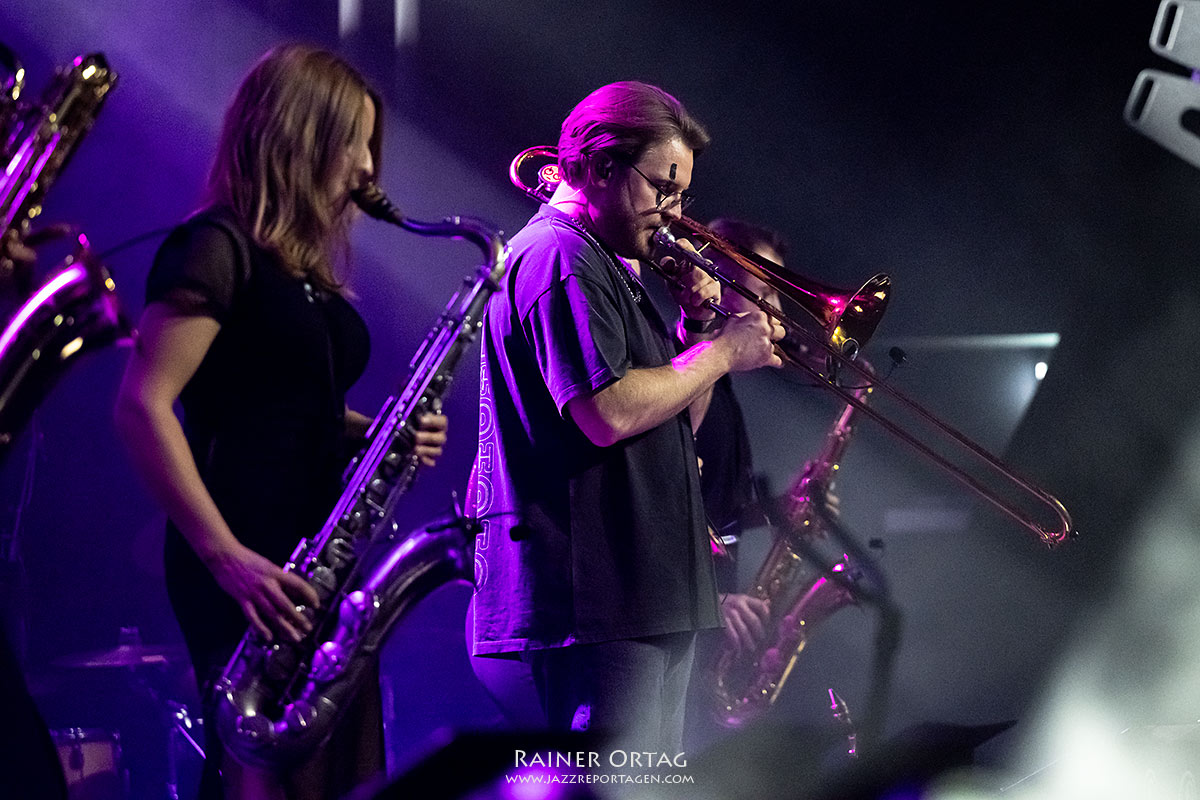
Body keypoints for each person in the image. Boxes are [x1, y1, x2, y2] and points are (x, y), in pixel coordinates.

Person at [114, 44, 447, 800]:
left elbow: (283, 401)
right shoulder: (215, 246)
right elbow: (142, 405)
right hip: (248, 558)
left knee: (337, 773)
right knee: (266, 774)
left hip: (317, 556)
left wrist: (378, 433)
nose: (369, 167)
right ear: (302, 135)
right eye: (356, 142)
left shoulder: (302, 273)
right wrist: (225, 557)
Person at [467, 80, 784, 753]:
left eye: (682, 194)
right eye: (663, 188)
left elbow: (670, 430)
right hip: (595, 604)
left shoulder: (604, 262)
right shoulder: (560, 257)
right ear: (600, 167)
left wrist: (698, 330)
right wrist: (725, 351)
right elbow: (607, 413)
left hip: (643, 596)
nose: (674, 214)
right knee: (608, 787)